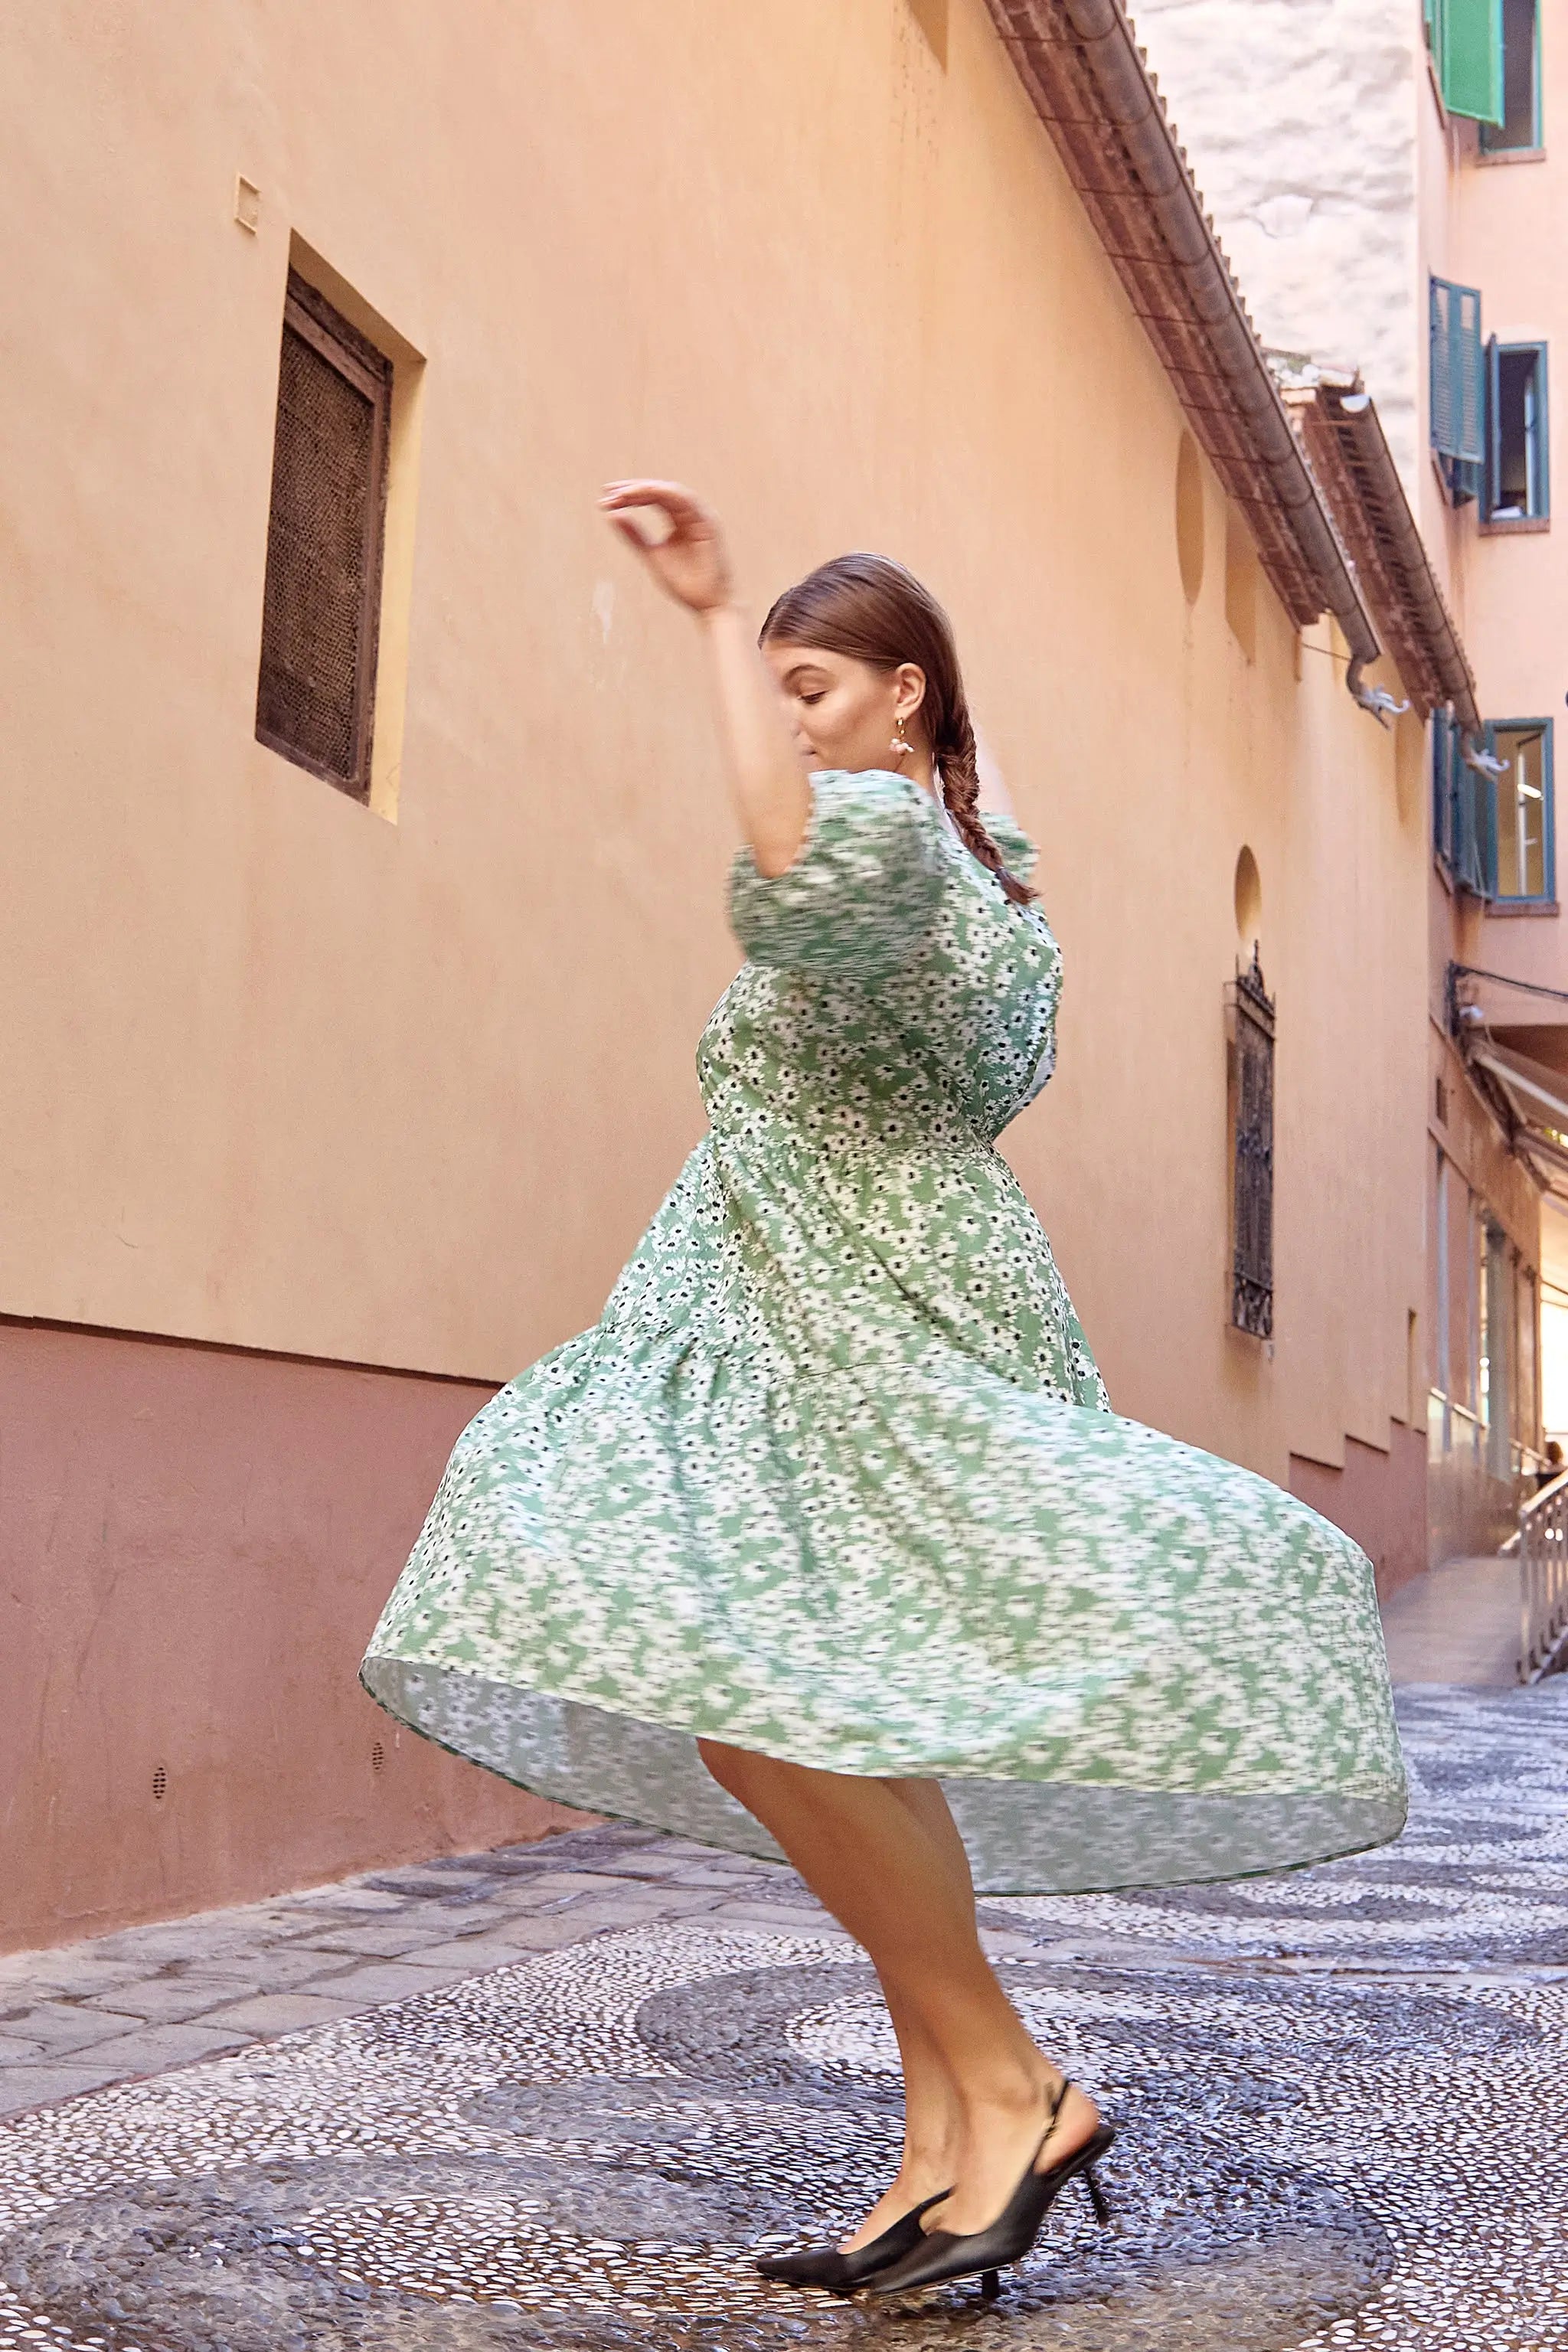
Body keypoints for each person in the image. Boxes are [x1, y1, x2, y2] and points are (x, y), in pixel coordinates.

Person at [362, 482, 1406, 2304]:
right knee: (812, 1714)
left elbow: (797, 877)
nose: (791, 725)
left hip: (852, 1303)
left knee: (769, 1709)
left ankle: (1013, 2088)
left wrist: (712, 622)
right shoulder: (981, 862)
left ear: (904, 694)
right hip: (830, 1283)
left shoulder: (895, 839)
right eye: (780, 691)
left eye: (814, 689)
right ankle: (942, 2143)